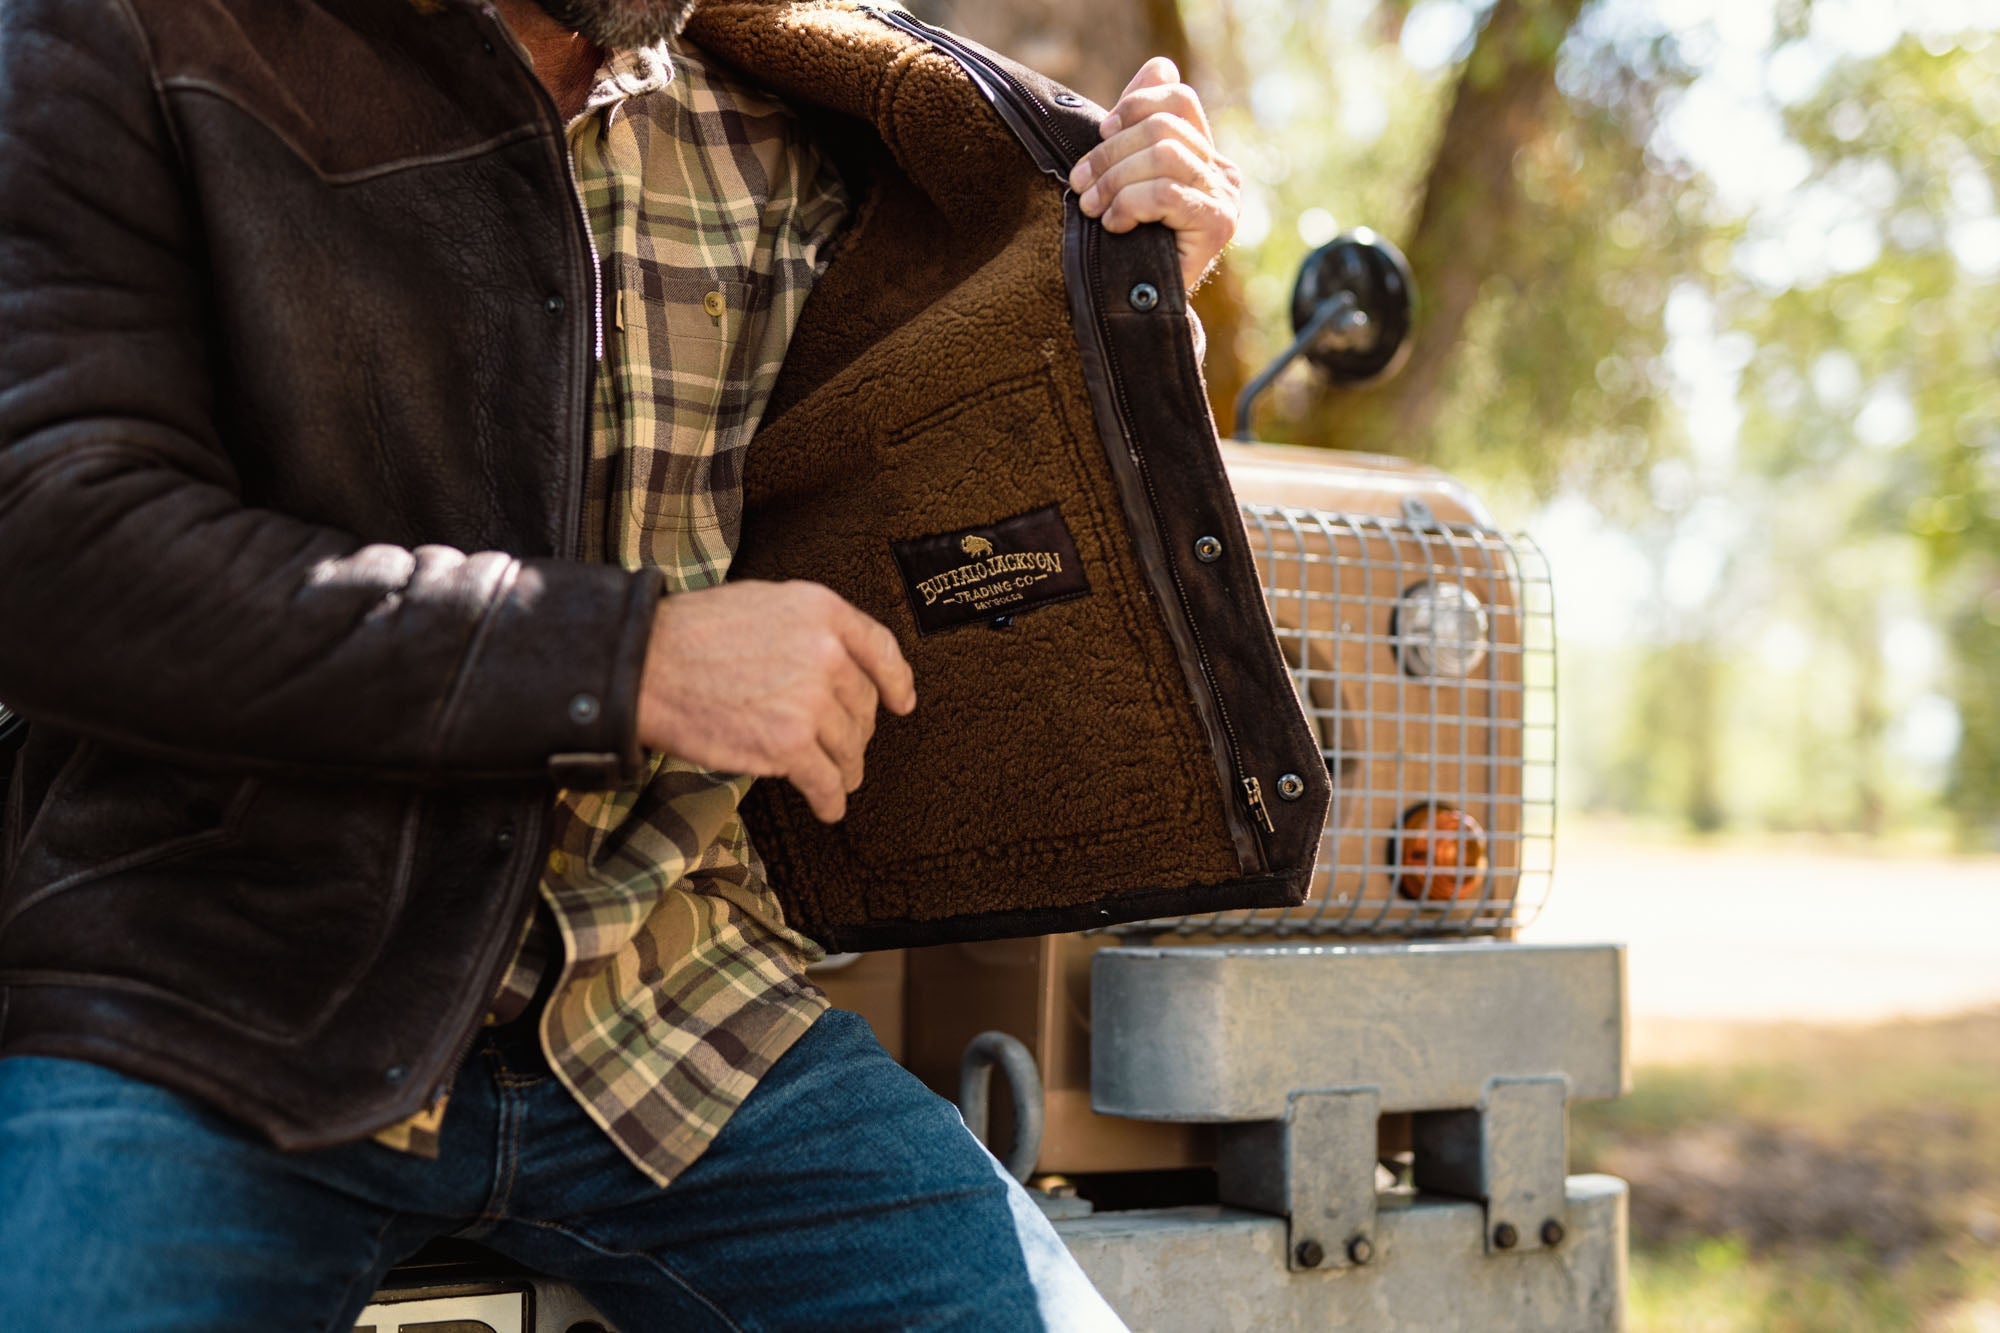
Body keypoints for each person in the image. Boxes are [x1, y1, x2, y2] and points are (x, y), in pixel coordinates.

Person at [0, 0, 1241, 1327]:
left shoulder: (795, 112)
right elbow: (55, 546)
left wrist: (1132, 296)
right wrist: (630, 660)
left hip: (675, 1007)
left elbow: (959, 487)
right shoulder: (137, 31)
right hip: (217, 997)